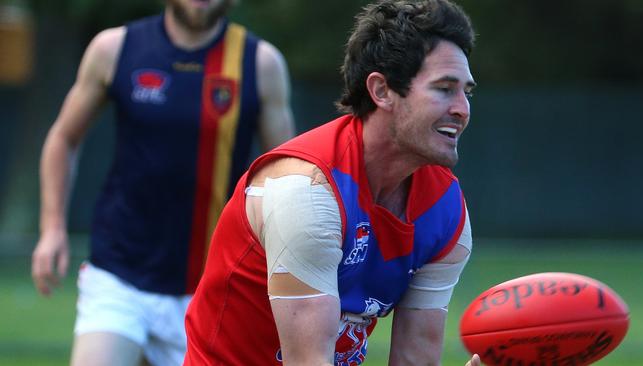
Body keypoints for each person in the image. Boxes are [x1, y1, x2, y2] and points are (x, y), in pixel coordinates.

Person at [184, 0, 482, 365]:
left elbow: (414, 359)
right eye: (443, 88)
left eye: (466, 91)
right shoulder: (306, 190)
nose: (462, 109)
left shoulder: (445, 211)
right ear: (382, 91)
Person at [30, 0, 295, 364]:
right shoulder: (115, 48)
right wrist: (52, 228)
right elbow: (63, 139)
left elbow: (285, 175)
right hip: (118, 277)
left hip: (212, 287)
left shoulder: (260, 63)